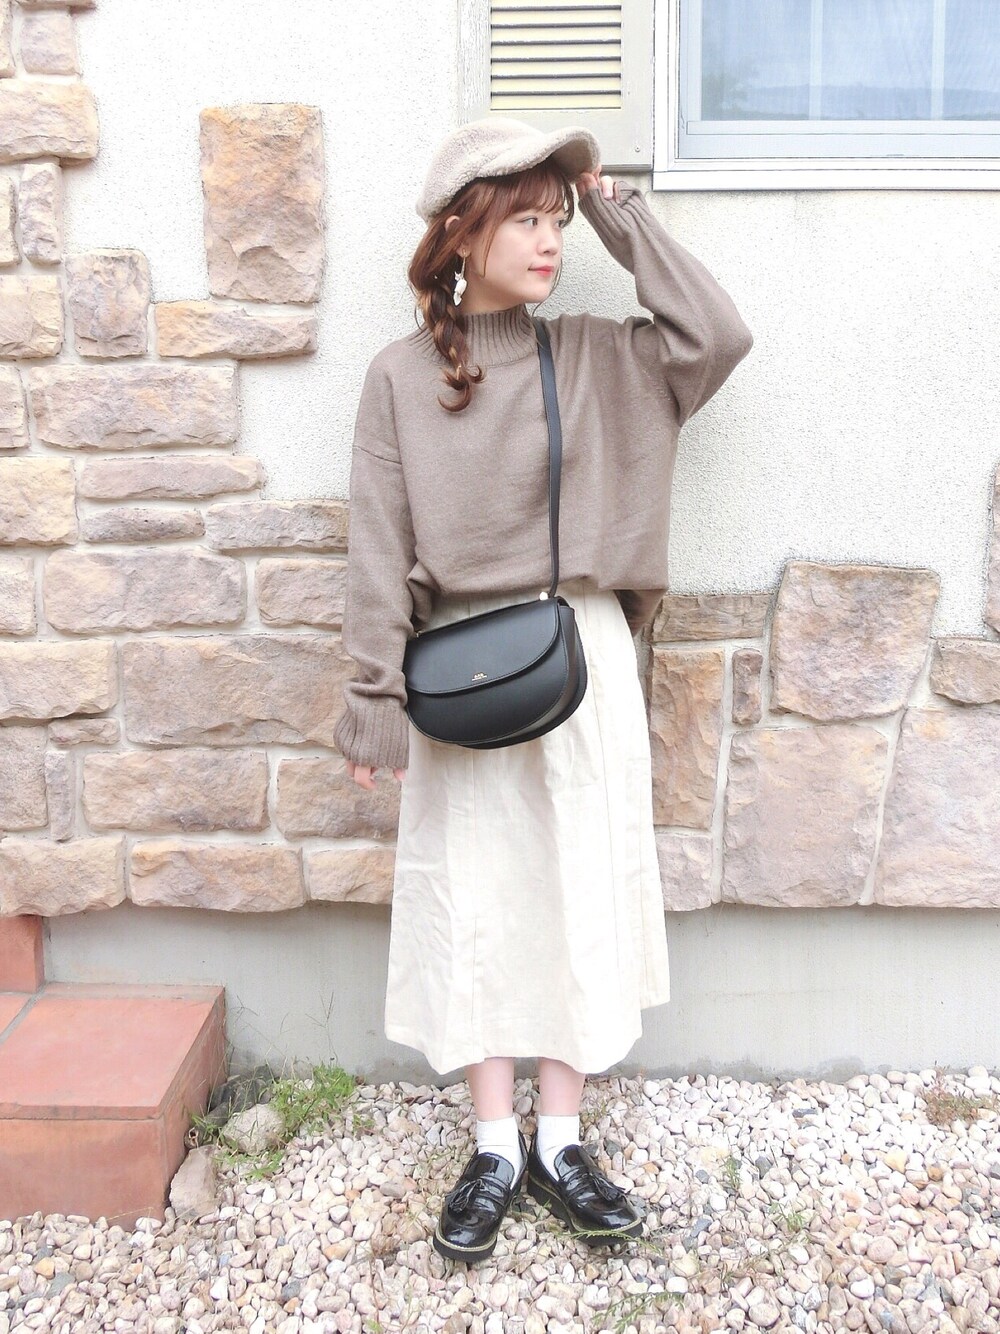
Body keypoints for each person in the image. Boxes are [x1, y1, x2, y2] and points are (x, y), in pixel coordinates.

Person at [333, 117, 752, 1263]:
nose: (547, 239)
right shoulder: (399, 378)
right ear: (461, 233)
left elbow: (716, 334)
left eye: (554, 218)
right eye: (524, 218)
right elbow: (377, 547)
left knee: (576, 891)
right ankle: (492, 1147)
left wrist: (616, 211)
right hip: (460, 669)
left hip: (579, 659)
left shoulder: (599, 358)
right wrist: (371, 698)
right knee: (473, 895)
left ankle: (560, 1139)